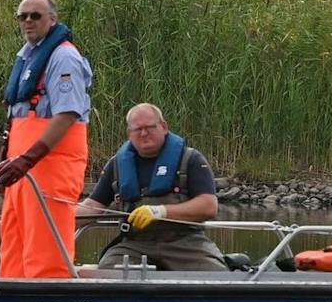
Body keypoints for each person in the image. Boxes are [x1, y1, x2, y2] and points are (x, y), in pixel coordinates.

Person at [0, 0, 92, 278]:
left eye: (35, 15)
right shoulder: (26, 57)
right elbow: (17, 116)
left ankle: (49, 293)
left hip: (50, 165)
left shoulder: (63, 57)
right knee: (13, 237)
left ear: (52, 19)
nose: (28, 21)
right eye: (22, 16)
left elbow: (68, 113)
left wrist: (27, 160)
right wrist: (2, 167)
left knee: (46, 239)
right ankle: (11, 292)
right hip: (21, 167)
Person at [76, 103, 229, 271]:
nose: (144, 133)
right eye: (138, 129)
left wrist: (160, 212)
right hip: (135, 244)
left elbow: (208, 206)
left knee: (216, 273)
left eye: (149, 127)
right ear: (129, 133)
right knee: (108, 270)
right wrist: (59, 219)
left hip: (186, 243)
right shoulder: (117, 165)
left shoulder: (191, 160)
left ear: (164, 127)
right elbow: (93, 206)